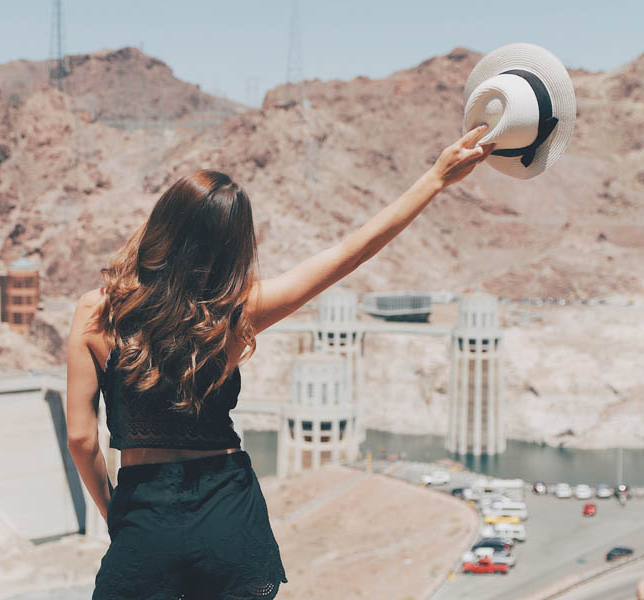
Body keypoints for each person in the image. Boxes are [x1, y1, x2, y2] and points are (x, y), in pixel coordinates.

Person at [66, 124, 494, 599]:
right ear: (231, 246)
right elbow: (350, 252)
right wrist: (434, 178)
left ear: (162, 224)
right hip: (228, 510)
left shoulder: (97, 311)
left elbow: (82, 440)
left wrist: (117, 514)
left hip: (146, 512)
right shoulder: (233, 313)